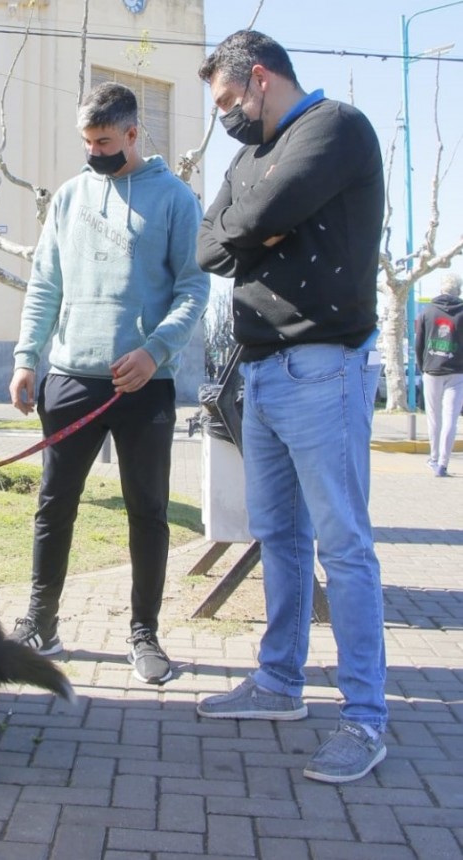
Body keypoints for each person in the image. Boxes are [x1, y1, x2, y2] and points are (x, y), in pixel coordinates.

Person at [194, 30, 388, 783]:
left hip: (322, 370)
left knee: (344, 547)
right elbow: (212, 246)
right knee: (276, 533)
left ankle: (365, 718)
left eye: (227, 101)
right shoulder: (246, 156)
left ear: (261, 78)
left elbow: (242, 223)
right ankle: (279, 682)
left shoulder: (335, 128)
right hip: (262, 372)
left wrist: (253, 226)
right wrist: (258, 227)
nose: (226, 120)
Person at [8, 82, 210, 685]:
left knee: (147, 511)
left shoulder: (175, 199)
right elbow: (46, 283)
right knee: (54, 504)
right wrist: (27, 358)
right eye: (86, 142)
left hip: (143, 385)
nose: (93, 151)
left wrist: (155, 352)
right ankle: (41, 622)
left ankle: (144, 635)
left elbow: (194, 288)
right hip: (71, 376)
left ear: (132, 134)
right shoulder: (69, 198)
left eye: (102, 141)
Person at [415, 272, 463, 477]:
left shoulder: (428, 311)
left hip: (432, 370)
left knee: (434, 417)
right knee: (451, 418)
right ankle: (443, 463)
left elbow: (419, 343)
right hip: (457, 372)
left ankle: (434, 458)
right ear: (458, 290)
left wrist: (422, 366)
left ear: (441, 290)